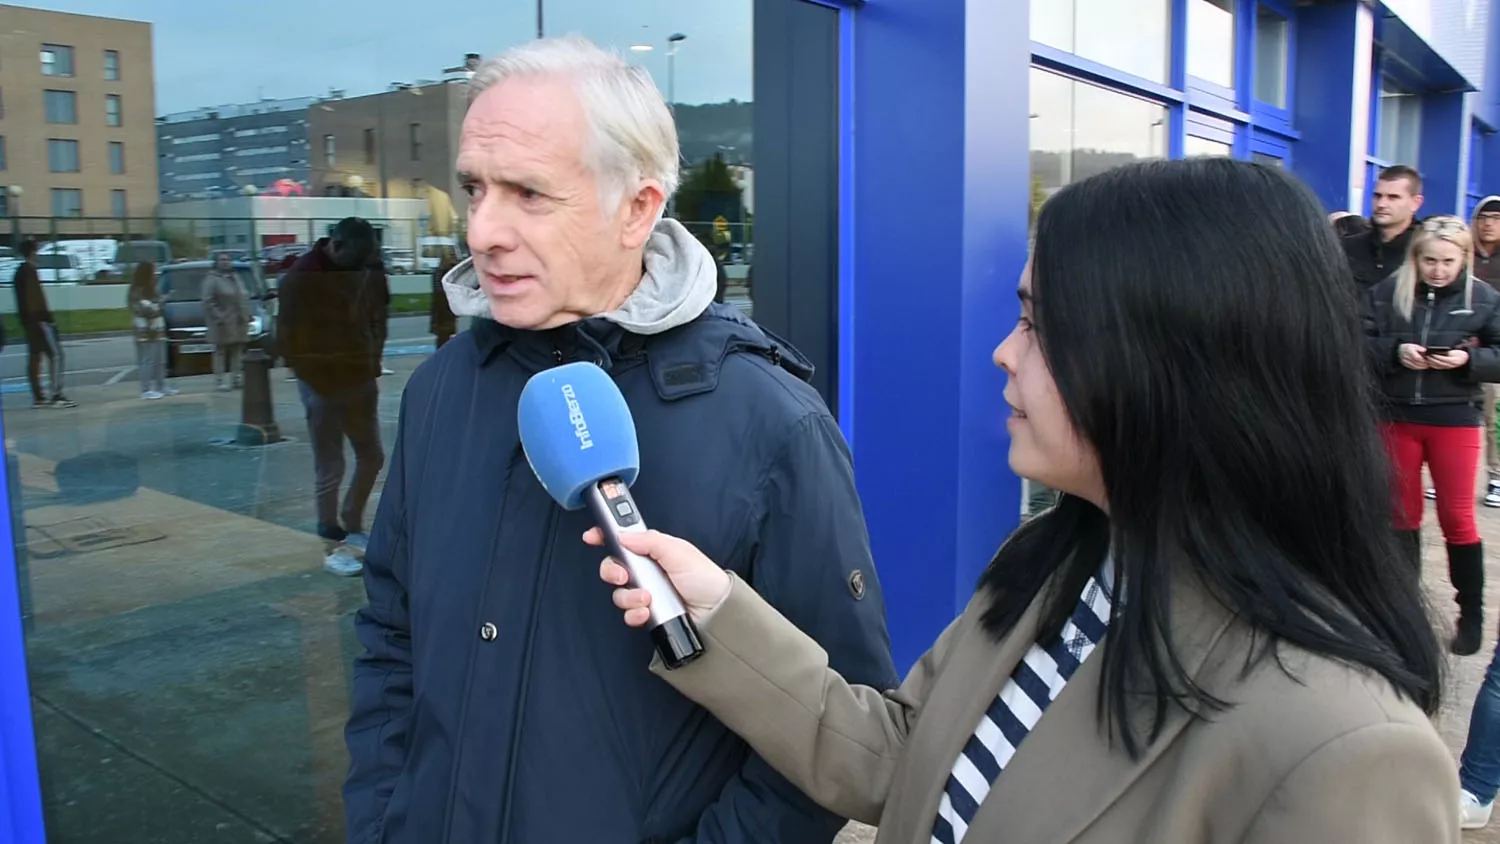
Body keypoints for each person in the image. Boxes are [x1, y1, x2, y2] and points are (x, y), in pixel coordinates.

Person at [589, 158, 1456, 843]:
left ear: (1173, 365)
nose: (1004, 353)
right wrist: (715, 611)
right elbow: (899, 757)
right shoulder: (1054, 567)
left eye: (1040, 324)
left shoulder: (1345, 750)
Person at [342, 36, 897, 844]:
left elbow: (833, 739)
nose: (483, 230)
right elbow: (392, 640)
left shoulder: (771, 421)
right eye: (474, 188)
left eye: (529, 193)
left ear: (637, 209)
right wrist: (388, 822)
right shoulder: (441, 391)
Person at [1366, 215, 1500, 656]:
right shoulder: (1388, 293)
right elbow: (1353, 340)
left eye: (1447, 261)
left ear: (1463, 258)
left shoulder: (1483, 298)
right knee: (1400, 516)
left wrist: (1467, 361)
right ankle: (1403, 613)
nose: (1438, 270)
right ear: (1415, 258)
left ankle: (1472, 614)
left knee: (1457, 518)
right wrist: (1394, 351)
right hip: (1396, 417)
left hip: (1454, 419)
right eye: (1429, 260)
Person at [276, 217, 387, 577]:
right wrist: (318, 380)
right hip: (322, 383)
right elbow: (288, 338)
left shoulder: (364, 264)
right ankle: (330, 536)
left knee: (371, 455)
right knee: (331, 464)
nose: (358, 268)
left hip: (357, 375)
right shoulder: (302, 278)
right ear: (334, 246)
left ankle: (352, 520)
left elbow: (377, 314)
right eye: (353, 260)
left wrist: (371, 361)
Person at [12, 240, 74, 409]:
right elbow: (35, 299)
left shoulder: (19, 273)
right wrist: (47, 319)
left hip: (29, 322)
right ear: (32, 252)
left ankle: (38, 397)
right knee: (56, 355)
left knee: (35, 358)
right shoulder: (30, 272)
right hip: (39, 322)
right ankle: (56, 395)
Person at [1344, 165, 1424, 289]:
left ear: (1416, 203)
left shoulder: (1425, 250)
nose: (1381, 204)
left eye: (1393, 197)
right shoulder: (1348, 247)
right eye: (1377, 196)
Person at [1472, 196, 1500, 508]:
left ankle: (1497, 476)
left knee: (1495, 416)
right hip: (1461, 344)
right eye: (1484, 217)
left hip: (1494, 349)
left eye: (1495, 217)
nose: (1489, 223)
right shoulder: (1463, 255)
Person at [201, 252, 251, 392]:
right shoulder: (212, 279)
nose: (225, 262)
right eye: (222, 260)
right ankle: (219, 381)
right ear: (216, 262)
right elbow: (207, 300)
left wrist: (247, 313)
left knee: (238, 351)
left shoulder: (236, 277)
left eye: (228, 259)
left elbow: (244, 296)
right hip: (222, 322)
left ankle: (237, 378)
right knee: (220, 352)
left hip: (239, 321)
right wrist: (219, 317)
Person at [126, 261, 172, 400]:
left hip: (157, 327)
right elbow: (140, 308)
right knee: (147, 360)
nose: (155, 274)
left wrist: (160, 302)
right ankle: (145, 389)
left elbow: (155, 305)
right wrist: (157, 305)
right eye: (153, 271)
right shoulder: (136, 289)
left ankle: (161, 386)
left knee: (160, 360)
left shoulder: (153, 288)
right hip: (144, 330)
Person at [428, 248, 458, 349]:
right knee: (444, 334)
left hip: (444, 308)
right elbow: (441, 292)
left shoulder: (443, 271)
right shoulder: (445, 272)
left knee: (445, 334)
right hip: (444, 308)